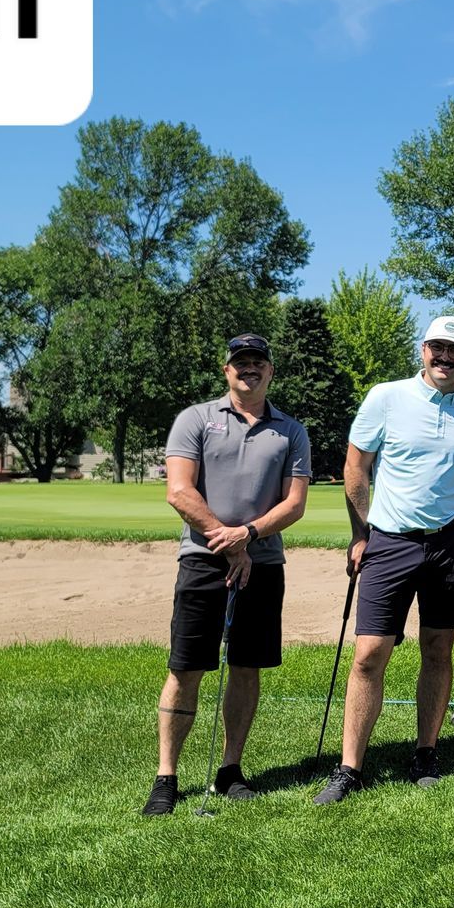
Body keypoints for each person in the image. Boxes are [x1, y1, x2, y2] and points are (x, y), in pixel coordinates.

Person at [314, 315, 454, 805]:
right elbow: (355, 466)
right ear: (422, 350)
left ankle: (426, 752)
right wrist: (360, 532)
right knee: (369, 654)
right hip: (389, 541)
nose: (444, 357)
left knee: (438, 650)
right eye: (437, 347)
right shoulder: (385, 396)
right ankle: (350, 767)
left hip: (448, 543)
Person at [141, 334, 310, 815]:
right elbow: (179, 491)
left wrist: (248, 536)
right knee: (186, 666)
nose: (249, 370)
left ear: (270, 371)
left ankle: (230, 769)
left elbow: (294, 503)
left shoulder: (290, 430)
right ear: (226, 369)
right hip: (201, 558)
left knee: (246, 665)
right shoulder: (195, 419)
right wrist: (226, 538)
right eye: (241, 363)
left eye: (258, 363)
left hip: (264, 561)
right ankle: (167, 776)